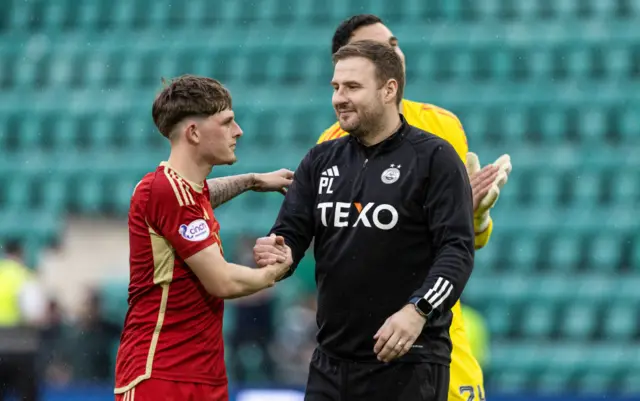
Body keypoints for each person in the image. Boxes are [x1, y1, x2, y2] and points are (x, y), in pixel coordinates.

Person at [255, 40, 475, 401]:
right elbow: (290, 233)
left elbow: (458, 251)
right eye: (336, 87)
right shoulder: (320, 159)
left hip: (408, 362)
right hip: (330, 362)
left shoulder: (435, 158)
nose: (339, 98)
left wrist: (417, 310)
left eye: (352, 87)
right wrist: (280, 251)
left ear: (389, 90)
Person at [314, 14, 512, 401]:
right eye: (378, 48)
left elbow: (457, 242)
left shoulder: (441, 124)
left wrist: (476, 216)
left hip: (435, 330)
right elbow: (348, 242)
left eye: (394, 43)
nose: (394, 54)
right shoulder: (332, 145)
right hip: (366, 338)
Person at [113, 75, 293, 401]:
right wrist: (276, 272)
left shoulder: (184, 193)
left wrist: (252, 180)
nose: (238, 131)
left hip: (204, 376)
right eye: (226, 122)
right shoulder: (164, 190)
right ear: (194, 133)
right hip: (160, 376)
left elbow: (203, 195)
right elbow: (222, 282)